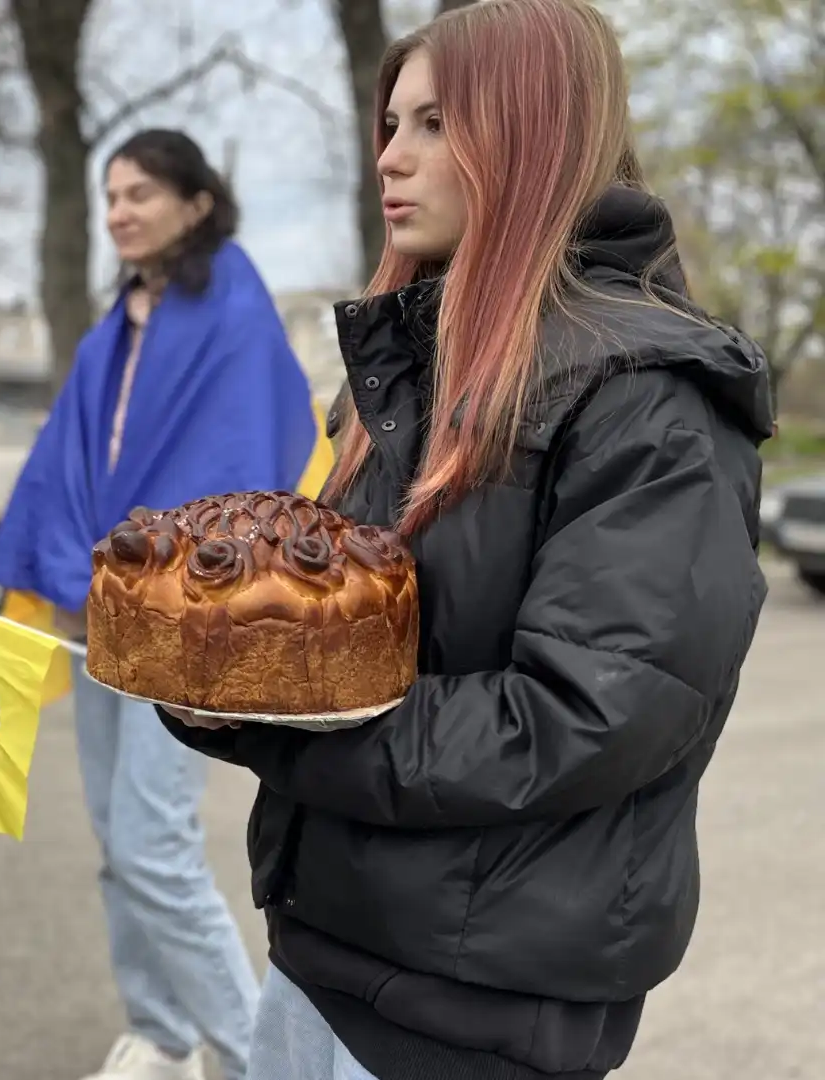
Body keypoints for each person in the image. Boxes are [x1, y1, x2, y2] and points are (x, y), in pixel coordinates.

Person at [160, 3, 773, 1079]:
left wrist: (279, 726)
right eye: (391, 123)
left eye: (436, 123)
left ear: (532, 134)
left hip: (474, 1012)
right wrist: (223, 669)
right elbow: (345, 639)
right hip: (320, 957)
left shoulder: (649, 397)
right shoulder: (410, 369)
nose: (391, 156)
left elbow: (580, 717)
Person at [0, 129, 316, 1080]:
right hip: (102, 606)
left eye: (140, 193)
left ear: (197, 202)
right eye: (111, 196)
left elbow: (245, 457)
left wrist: (191, 578)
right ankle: (163, 1034)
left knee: (152, 842)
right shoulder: (117, 321)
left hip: (184, 616)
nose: (121, 210)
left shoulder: (234, 309)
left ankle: (259, 1059)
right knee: (115, 839)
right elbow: (68, 456)